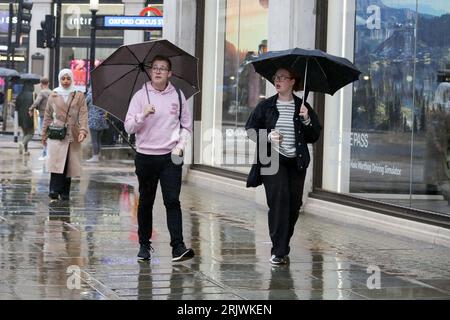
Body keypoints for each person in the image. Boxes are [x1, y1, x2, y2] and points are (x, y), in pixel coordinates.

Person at [245, 68, 321, 265]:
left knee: (294, 205)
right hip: (272, 159)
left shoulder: (303, 106)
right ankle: (278, 251)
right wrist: (268, 136)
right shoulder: (266, 106)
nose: (277, 81)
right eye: (275, 77)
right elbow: (250, 131)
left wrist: (306, 119)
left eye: (282, 78)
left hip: (297, 161)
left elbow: (314, 136)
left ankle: (283, 245)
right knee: (279, 202)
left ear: (292, 82)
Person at [124, 55, 194, 262]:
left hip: (170, 157)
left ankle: (178, 247)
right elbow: (129, 127)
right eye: (155, 68)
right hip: (145, 156)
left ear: (169, 73)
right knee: (146, 201)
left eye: (163, 68)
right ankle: (144, 245)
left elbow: (186, 126)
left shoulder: (179, 96)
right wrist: (142, 115)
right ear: (150, 71)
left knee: (172, 201)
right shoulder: (140, 96)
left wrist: (180, 147)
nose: (158, 71)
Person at [42, 69, 88, 202]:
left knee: (69, 164)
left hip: (72, 133)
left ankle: (65, 192)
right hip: (57, 132)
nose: (66, 81)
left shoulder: (79, 95)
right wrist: (44, 134)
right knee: (56, 162)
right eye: (63, 78)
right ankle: (54, 190)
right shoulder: (53, 95)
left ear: (72, 79)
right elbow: (47, 115)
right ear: (59, 79)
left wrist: (83, 131)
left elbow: (83, 114)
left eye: (68, 78)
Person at [29, 77, 52, 160]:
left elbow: (36, 102)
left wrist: (31, 109)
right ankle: (48, 153)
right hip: (51, 116)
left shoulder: (42, 93)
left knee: (44, 135)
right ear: (48, 83)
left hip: (43, 116)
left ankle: (45, 153)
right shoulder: (51, 92)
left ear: (41, 84)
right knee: (49, 135)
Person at [85, 87, 109, 162]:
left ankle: (95, 157)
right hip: (102, 120)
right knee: (98, 139)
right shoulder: (103, 96)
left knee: (94, 140)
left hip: (93, 120)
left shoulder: (90, 96)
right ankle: (98, 155)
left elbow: (84, 105)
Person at [16, 82, 35, 155]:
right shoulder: (33, 95)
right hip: (30, 116)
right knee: (30, 134)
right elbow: (36, 106)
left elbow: (16, 107)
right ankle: (22, 143)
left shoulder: (19, 95)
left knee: (25, 133)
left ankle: (25, 151)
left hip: (20, 117)